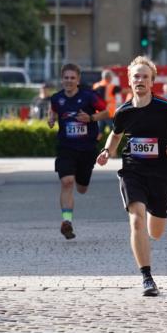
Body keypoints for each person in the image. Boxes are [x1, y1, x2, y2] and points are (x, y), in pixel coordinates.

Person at [96, 56, 167, 297]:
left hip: (161, 173)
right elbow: (116, 135)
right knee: (136, 220)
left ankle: (157, 213)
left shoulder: (166, 107)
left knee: (156, 231)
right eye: (136, 77)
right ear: (130, 82)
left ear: (152, 81)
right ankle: (147, 277)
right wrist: (106, 151)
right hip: (133, 171)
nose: (140, 80)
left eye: (144, 77)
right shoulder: (123, 111)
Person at [48, 63, 109, 240]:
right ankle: (67, 221)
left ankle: (81, 180)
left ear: (78, 79)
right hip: (66, 148)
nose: (69, 81)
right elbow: (53, 110)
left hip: (87, 149)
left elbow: (106, 112)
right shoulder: (56, 98)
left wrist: (91, 118)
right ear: (62, 79)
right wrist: (51, 118)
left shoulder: (89, 96)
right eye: (66, 78)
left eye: (72, 78)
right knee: (67, 182)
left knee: (81, 188)